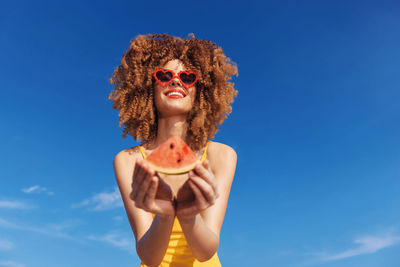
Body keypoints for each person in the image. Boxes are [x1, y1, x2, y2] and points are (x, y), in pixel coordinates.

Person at [108, 33, 238, 267]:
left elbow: (206, 250)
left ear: (200, 91)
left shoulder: (222, 155)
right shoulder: (129, 160)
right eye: (165, 75)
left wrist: (188, 217)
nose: (176, 81)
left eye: (187, 77)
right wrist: (165, 216)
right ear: (148, 87)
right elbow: (149, 255)